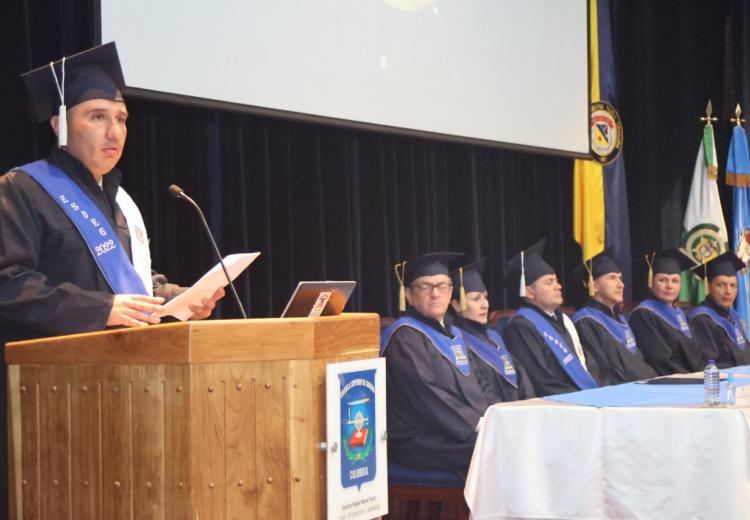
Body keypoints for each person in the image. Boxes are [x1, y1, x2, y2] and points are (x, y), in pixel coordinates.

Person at [0, 43, 223, 511]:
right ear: (60, 125)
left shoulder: (120, 202)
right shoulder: (21, 190)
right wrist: (99, 310)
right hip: (52, 393)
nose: (114, 131)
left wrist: (180, 298)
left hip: (126, 384)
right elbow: (8, 283)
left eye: (121, 119)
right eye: (97, 116)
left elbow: (134, 281)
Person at [381, 252, 501, 477]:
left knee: (512, 438)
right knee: (496, 448)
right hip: (419, 438)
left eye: (442, 285)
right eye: (425, 287)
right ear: (408, 294)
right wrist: (478, 425)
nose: (435, 293)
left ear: (451, 292)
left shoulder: (454, 334)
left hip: (454, 430)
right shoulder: (405, 336)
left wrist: (498, 417)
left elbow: (481, 384)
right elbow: (426, 396)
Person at [501, 239, 600, 397]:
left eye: (557, 281)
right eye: (549, 282)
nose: (558, 286)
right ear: (529, 292)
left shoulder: (563, 319)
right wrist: (581, 398)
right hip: (558, 405)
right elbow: (541, 380)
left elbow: (587, 361)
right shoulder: (520, 327)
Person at [449, 258, 535, 402]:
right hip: (492, 417)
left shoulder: (494, 337)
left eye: (486, 298)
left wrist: (527, 405)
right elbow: (477, 391)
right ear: (457, 305)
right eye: (476, 299)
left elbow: (520, 375)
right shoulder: (456, 341)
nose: (485, 305)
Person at [572, 249, 656, 385]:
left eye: (620, 278)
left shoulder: (620, 319)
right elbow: (605, 371)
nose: (621, 285)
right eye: (612, 278)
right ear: (594, 285)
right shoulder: (586, 321)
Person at [629, 248, 704, 375]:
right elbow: (660, 360)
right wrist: (693, 379)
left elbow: (698, 352)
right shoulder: (644, 314)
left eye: (675, 281)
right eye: (662, 280)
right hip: (670, 383)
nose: (670, 286)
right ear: (651, 283)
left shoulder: (679, 313)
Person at [688, 251, 750, 368]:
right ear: (709, 287)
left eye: (733, 285)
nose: (728, 291)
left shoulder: (733, 316)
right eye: (721, 285)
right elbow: (708, 365)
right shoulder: (702, 319)